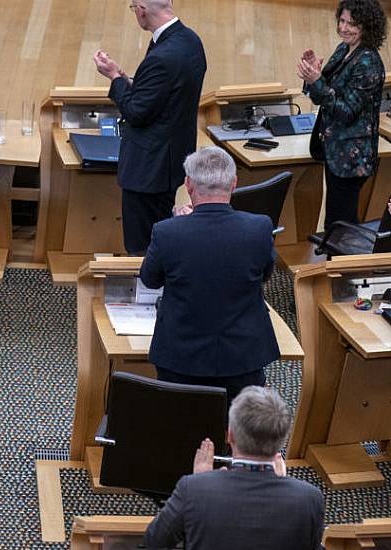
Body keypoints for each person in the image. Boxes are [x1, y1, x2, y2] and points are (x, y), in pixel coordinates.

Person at [140, 147, 279, 404]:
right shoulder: (259, 228)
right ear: (234, 184)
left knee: (181, 427)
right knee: (240, 433)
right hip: (243, 357)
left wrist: (179, 223)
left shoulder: (167, 232)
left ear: (189, 185)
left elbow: (150, 279)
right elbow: (265, 274)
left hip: (181, 359)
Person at [144, 386, 324, 550]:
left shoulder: (193, 489)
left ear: (230, 435)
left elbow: (154, 541)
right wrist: (282, 483)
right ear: (282, 440)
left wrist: (201, 483)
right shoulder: (309, 498)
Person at [92, 0, 206, 255]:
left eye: (133, 8)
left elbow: (136, 112)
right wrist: (128, 80)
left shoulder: (163, 56)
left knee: (142, 248)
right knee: (160, 238)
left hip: (149, 169)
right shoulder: (191, 41)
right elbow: (166, 93)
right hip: (171, 160)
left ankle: (149, 293)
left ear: (142, 10)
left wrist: (114, 79)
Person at [298, 0, 386, 228]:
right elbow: (324, 92)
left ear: (367, 27)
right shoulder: (344, 50)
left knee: (340, 229)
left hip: (351, 159)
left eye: (352, 23)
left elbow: (346, 112)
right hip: (336, 152)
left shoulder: (369, 62)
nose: (344, 28)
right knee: (336, 224)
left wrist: (317, 82)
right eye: (342, 20)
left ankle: (343, 263)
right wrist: (313, 76)